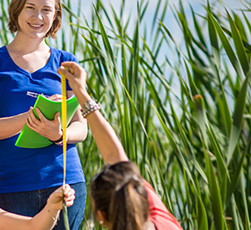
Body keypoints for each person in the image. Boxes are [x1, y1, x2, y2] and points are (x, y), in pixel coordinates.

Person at [0, 0, 87, 229]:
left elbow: (82, 128)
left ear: (56, 15)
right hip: (12, 189)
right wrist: (32, 118)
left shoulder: (66, 61)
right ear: (17, 9)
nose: (38, 17)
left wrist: (58, 133)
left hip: (66, 184)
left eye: (46, 9)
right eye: (30, 8)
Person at [58, 61, 183, 230]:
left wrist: (80, 91)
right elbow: (115, 158)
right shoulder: (164, 222)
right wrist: (81, 92)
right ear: (140, 200)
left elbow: (115, 157)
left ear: (101, 216)